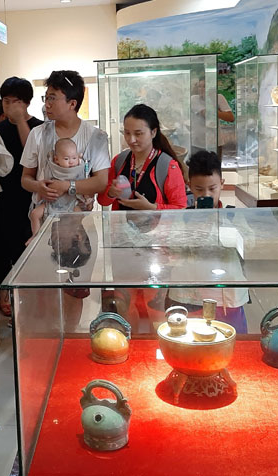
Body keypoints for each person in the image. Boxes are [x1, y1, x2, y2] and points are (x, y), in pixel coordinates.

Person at [21, 70, 110, 324]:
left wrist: (67, 186)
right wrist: (39, 187)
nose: (46, 104)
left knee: (74, 288)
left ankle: (70, 339)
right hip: (46, 220)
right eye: (45, 98)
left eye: (53, 98)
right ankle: (48, 344)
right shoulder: (38, 134)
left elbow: (101, 181)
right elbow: (25, 179)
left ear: (72, 103)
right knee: (45, 287)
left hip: (79, 226)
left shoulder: (95, 137)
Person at [166, 150, 249, 332]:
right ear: (189, 186)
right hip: (189, 296)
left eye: (212, 188)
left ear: (222, 184)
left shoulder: (233, 215)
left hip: (227, 298)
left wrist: (219, 230)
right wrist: (194, 229)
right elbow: (172, 247)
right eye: (199, 189)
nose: (207, 195)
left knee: (234, 341)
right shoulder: (183, 218)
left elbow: (247, 245)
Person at [0, 77, 43, 317]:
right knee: (1, 249)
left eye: (15, 101)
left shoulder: (40, 129)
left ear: (27, 103)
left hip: (30, 200)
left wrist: (21, 119)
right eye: (5, 100)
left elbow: (32, 155)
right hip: (1, 200)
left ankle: (28, 296)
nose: (9, 106)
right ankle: (4, 293)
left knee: (26, 248)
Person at [98, 104, 187, 211]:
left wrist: (151, 207)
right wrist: (111, 193)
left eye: (138, 134)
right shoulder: (119, 161)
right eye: (127, 133)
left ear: (153, 132)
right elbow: (102, 201)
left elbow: (180, 208)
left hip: (157, 227)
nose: (131, 140)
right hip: (121, 226)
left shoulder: (167, 166)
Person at [29, 138, 90, 240]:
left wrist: (87, 198)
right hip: (51, 203)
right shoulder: (50, 169)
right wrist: (40, 195)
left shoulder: (79, 170)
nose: (71, 162)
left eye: (74, 158)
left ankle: (78, 233)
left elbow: (84, 186)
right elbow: (42, 184)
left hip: (71, 203)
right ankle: (36, 236)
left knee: (79, 215)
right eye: (66, 159)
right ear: (56, 159)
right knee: (34, 214)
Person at [190, 78, 235, 158]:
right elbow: (207, 114)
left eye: (204, 86)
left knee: (215, 169)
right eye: (199, 87)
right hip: (198, 143)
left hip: (215, 142)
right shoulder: (194, 99)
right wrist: (218, 111)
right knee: (198, 169)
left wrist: (211, 100)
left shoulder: (219, 97)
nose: (201, 89)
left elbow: (230, 117)